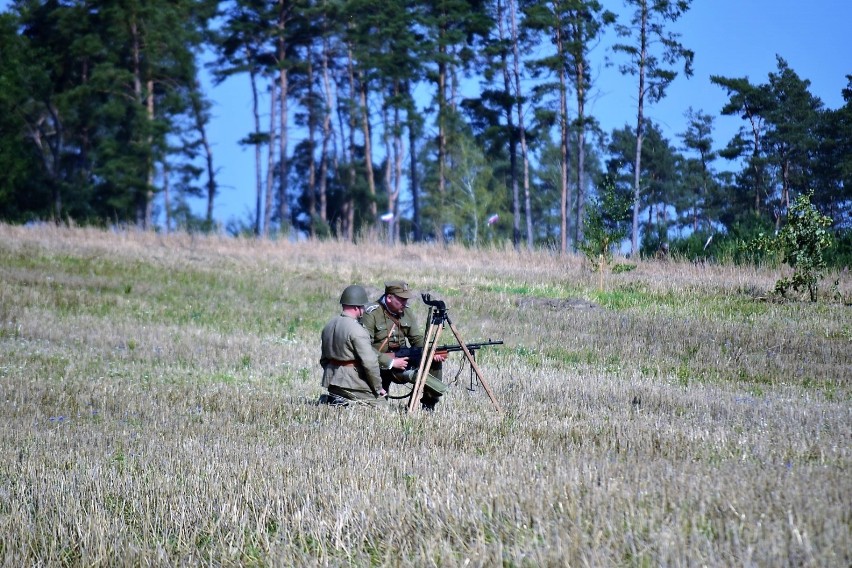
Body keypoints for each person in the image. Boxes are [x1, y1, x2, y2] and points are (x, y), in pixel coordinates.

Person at [360, 280, 448, 411]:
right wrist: (390, 362)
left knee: (433, 362)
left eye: (406, 299)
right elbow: (364, 347)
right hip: (379, 364)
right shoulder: (371, 313)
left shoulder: (406, 312)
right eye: (401, 299)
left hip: (403, 359)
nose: (405, 303)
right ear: (389, 298)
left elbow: (416, 339)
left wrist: (429, 353)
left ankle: (429, 405)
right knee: (378, 408)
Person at [319, 284, 388, 409]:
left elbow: (324, 359)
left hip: (332, 381)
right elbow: (370, 363)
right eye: (362, 306)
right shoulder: (357, 330)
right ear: (357, 307)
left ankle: (335, 400)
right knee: (381, 406)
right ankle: (342, 403)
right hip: (352, 383)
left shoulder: (329, 325)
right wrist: (378, 388)